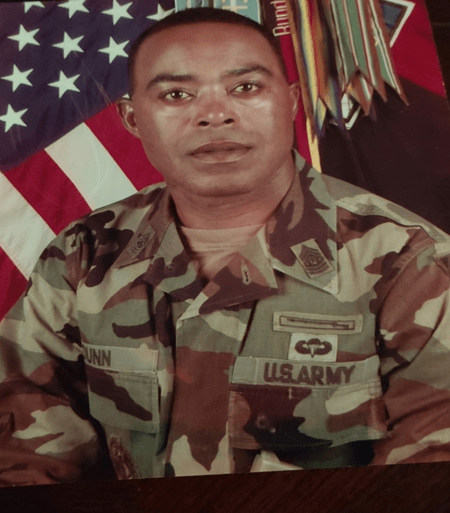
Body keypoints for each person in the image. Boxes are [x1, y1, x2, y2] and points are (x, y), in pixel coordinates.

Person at [1, 7, 450, 486]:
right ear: (132, 118)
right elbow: (21, 457)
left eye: (246, 87)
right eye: (177, 94)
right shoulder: (86, 254)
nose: (215, 114)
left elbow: (430, 479)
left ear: (291, 102)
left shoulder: (408, 261)